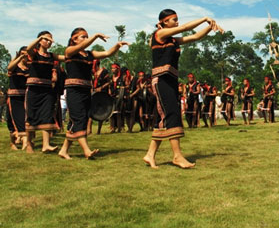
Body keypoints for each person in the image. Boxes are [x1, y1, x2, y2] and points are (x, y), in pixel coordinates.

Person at [143, 9, 221, 169]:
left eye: (177, 19)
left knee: (162, 118)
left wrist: (210, 27)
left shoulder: (172, 40)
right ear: (164, 22)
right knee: (172, 114)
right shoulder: (160, 34)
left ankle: (150, 154)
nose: (177, 22)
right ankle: (177, 156)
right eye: (174, 20)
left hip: (170, 80)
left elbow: (195, 36)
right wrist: (204, 18)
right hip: (161, 80)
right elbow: (185, 28)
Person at [58, 28, 128, 160]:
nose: (85, 39)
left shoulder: (90, 54)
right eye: (82, 37)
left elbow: (107, 53)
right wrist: (95, 36)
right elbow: (83, 46)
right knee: (78, 118)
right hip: (73, 91)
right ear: (74, 39)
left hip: (85, 90)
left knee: (79, 120)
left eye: (86, 37)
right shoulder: (69, 52)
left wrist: (117, 46)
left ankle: (64, 150)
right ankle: (86, 150)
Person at [25, 31, 66, 153]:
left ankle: (46, 145)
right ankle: (29, 144)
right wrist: (40, 38)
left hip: (47, 91)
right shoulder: (34, 54)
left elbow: (66, 57)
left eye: (50, 40)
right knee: (31, 116)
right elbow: (28, 49)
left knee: (47, 114)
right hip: (33, 90)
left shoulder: (52, 56)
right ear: (40, 40)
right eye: (46, 39)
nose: (49, 42)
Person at [6, 46, 29, 150]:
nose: (25, 56)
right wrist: (18, 58)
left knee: (23, 120)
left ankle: (25, 141)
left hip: (25, 98)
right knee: (15, 121)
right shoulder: (15, 67)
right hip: (14, 98)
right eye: (23, 53)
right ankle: (16, 143)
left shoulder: (29, 68)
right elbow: (9, 68)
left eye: (27, 54)